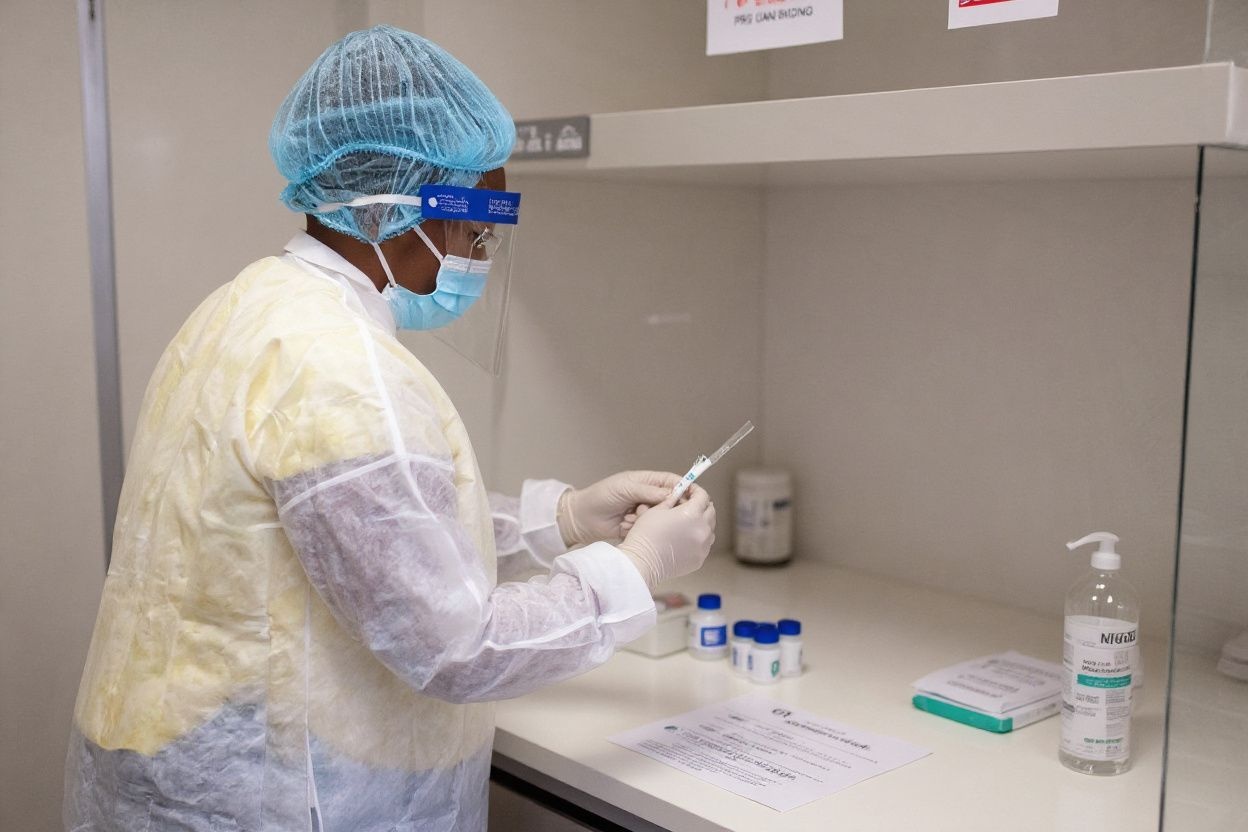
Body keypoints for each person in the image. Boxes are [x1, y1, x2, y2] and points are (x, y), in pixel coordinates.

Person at [64, 25, 715, 832]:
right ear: (405, 210)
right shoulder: (342, 365)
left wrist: (564, 518)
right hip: (279, 799)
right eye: (478, 228)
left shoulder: (250, 308)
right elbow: (455, 647)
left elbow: (359, 526)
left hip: (191, 765)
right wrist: (634, 566)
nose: (481, 250)